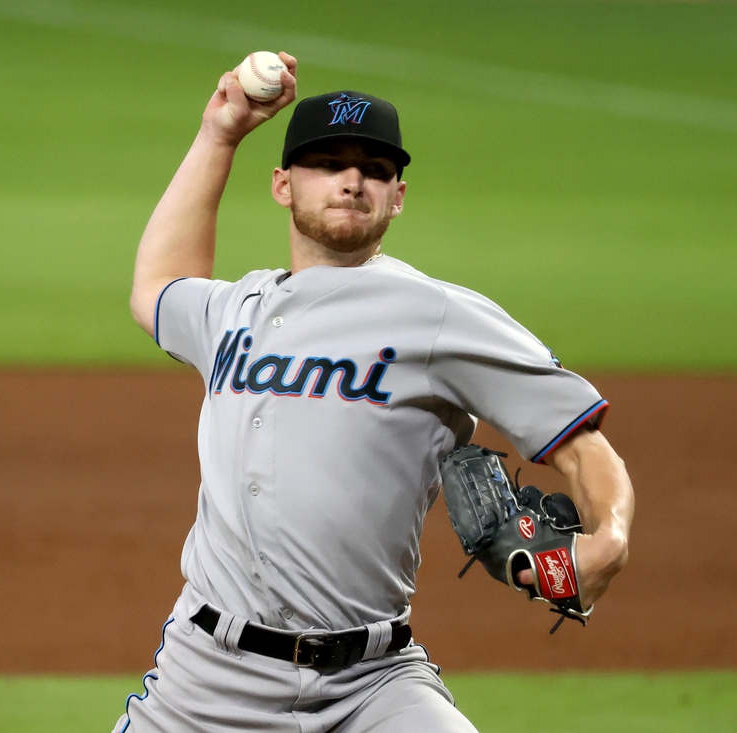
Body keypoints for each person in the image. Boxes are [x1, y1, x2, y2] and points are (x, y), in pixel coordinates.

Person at [118, 52, 634, 733]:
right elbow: (157, 287)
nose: (352, 179)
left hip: (371, 683)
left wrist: (611, 537)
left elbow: (579, 442)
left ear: (397, 195)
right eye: (328, 162)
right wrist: (219, 135)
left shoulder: (441, 316)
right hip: (205, 680)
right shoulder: (234, 311)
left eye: (375, 169)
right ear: (282, 185)